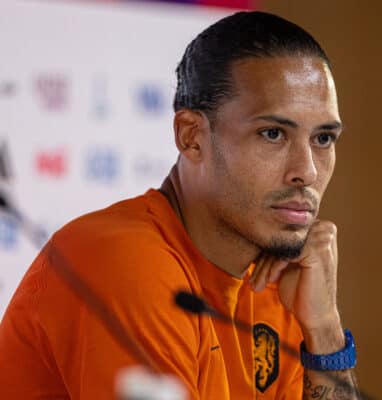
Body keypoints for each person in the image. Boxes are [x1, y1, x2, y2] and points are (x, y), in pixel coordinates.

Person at [0, 11, 359, 400]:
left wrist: (324, 330)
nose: (306, 171)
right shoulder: (125, 261)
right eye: (272, 134)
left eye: (323, 139)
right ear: (191, 137)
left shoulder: (278, 275)